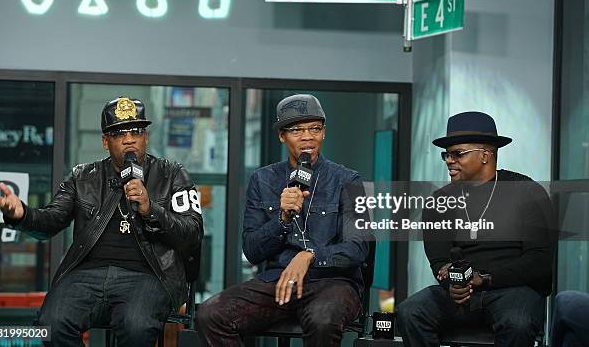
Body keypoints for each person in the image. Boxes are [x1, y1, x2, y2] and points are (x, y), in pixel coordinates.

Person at [0, 96, 203, 347]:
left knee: (136, 326)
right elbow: (51, 219)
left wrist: (150, 209)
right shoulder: (83, 177)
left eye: (136, 130)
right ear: (105, 141)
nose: (129, 138)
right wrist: (22, 214)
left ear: (146, 137)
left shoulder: (172, 174)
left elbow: (192, 232)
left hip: (149, 275)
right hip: (87, 274)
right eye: (118, 133)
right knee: (50, 324)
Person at [195, 94, 368, 347]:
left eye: (314, 128)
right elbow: (252, 250)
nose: (307, 136)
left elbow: (358, 248)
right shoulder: (263, 180)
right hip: (277, 281)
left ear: (324, 132)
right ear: (281, 136)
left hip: (333, 282)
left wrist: (309, 255)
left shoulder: (348, 180)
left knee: (322, 319)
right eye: (297, 130)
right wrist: (282, 218)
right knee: (210, 314)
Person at [397, 111, 553, 347]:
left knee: (517, 323)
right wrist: (452, 281)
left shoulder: (527, 192)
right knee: (410, 312)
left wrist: (486, 279)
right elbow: (439, 261)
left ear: (485, 155)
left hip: (512, 289)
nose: (450, 160)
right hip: (462, 292)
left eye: (457, 154)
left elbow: (539, 262)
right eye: (447, 155)